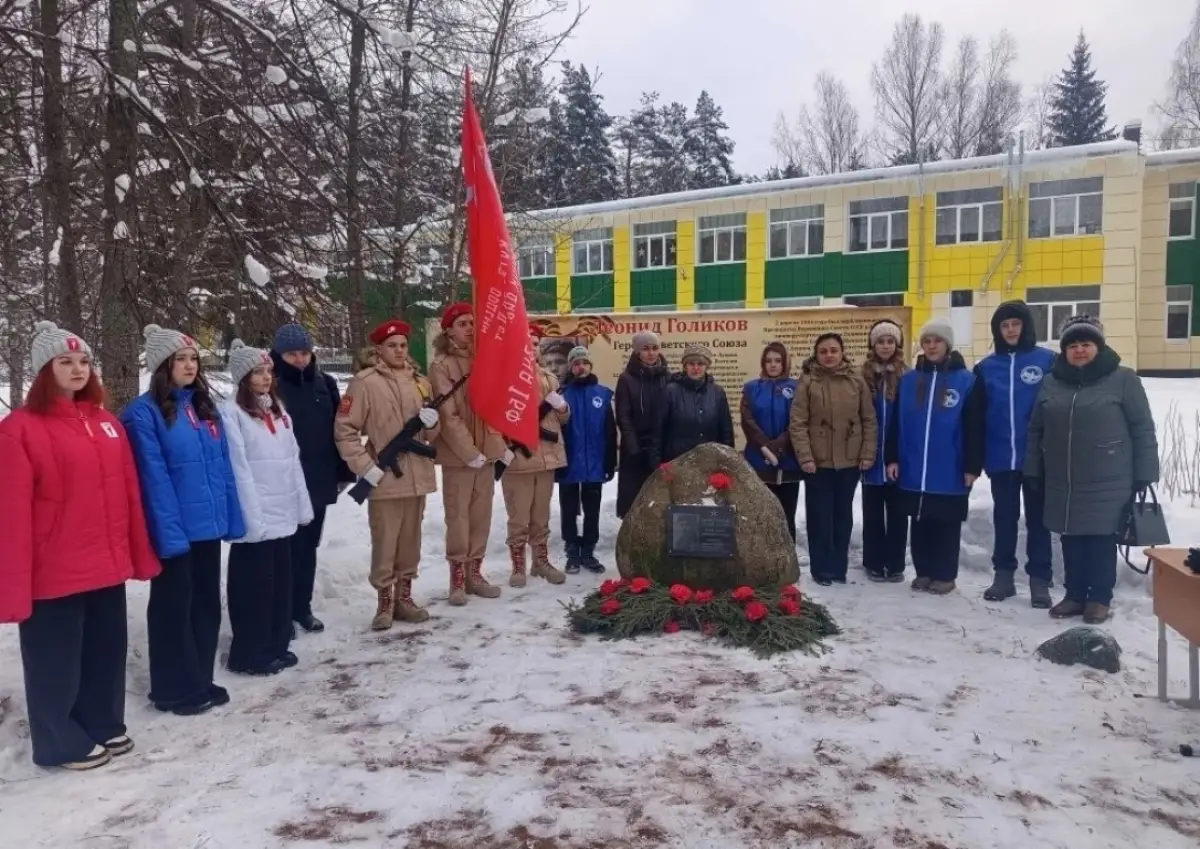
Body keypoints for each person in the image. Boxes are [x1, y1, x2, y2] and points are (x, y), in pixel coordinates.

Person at [0, 322, 160, 770]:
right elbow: (9, 516)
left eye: (84, 361)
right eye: (65, 362)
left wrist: (136, 551)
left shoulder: (106, 423)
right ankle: (59, 741)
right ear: (43, 372)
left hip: (104, 564)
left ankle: (103, 723)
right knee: (56, 661)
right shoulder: (18, 430)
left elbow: (127, 495)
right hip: (54, 570)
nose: (77, 369)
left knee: (104, 650)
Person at [122, 324, 245, 716]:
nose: (190, 365)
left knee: (206, 603)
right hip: (174, 531)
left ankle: (200, 677)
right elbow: (153, 480)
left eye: (194, 358)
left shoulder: (203, 407)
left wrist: (230, 516)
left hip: (206, 527)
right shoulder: (143, 414)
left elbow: (222, 467)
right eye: (181, 359)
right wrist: (170, 534)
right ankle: (173, 688)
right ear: (163, 365)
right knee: (174, 606)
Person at [1024, 315, 1158, 624]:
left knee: (1100, 538)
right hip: (1063, 477)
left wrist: (1145, 472)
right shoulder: (1052, 381)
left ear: (1098, 346)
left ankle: (1099, 598)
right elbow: (1035, 429)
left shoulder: (1123, 379)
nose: (1079, 351)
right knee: (1071, 537)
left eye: (1086, 344)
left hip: (1108, 477)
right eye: (1072, 345)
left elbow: (1142, 429)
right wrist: (1032, 468)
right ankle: (1074, 595)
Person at [336, 320, 441, 628]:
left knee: (411, 541)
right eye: (392, 345)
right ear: (379, 349)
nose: (399, 351)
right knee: (385, 542)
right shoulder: (364, 382)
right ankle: (384, 603)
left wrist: (433, 424)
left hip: (417, 476)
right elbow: (345, 430)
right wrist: (366, 467)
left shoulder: (420, 382)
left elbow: (431, 438)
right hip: (383, 477)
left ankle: (404, 598)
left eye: (403, 345)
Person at [221, 340, 314, 675]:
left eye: (268, 372)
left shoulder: (277, 410)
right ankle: (250, 652)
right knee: (254, 588)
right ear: (242, 377)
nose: (264, 378)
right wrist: (251, 517)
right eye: (257, 372)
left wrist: (300, 505)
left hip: (282, 512)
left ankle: (275, 644)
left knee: (279, 584)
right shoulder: (232, 412)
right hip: (256, 515)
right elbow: (240, 468)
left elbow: (292, 461)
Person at [885, 318, 983, 595]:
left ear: (947, 345)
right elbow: (895, 423)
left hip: (949, 467)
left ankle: (945, 574)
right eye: (926, 342)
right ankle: (924, 570)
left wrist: (972, 465)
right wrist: (892, 458)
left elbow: (975, 427)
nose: (931, 346)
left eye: (936, 341)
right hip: (914, 465)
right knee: (919, 521)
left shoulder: (967, 381)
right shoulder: (909, 381)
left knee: (945, 524)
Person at [271, 323, 355, 634]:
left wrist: (343, 471)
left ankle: (301, 607)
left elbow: (338, 428)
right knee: (284, 550)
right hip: (284, 482)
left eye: (305, 352)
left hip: (318, 478)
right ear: (280, 355)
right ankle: (280, 612)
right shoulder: (271, 385)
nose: (300, 359)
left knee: (307, 548)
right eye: (292, 354)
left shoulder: (325, 383)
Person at [974, 301, 1057, 608]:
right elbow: (978, 415)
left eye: (1015, 324)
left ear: (1026, 327)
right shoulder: (985, 368)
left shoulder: (1047, 360)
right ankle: (1004, 576)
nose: (1009, 330)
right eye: (1004, 325)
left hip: (1037, 459)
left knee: (1038, 521)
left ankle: (1039, 580)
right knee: (1004, 518)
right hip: (1000, 458)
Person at [428, 302, 507, 604]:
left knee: (481, 516)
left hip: (484, 454)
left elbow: (493, 408)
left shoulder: (484, 361)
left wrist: (495, 446)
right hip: (458, 457)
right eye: (462, 323)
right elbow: (448, 415)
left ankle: (475, 572)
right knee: (458, 518)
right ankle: (457, 579)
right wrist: (467, 451)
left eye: (472, 323)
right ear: (448, 330)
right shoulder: (442, 366)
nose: (469, 328)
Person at [789, 333, 877, 586]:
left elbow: (869, 420)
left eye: (833, 350)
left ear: (842, 353)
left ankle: (839, 568)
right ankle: (822, 569)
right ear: (816, 355)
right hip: (818, 462)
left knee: (842, 515)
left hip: (849, 461)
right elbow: (798, 423)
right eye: (824, 351)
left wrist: (867, 452)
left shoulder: (856, 381)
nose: (829, 355)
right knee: (820, 517)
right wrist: (805, 457)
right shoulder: (807, 383)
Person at [500, 326, 571, 586]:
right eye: (526, 343)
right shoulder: (504, 377)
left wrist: (562, 408)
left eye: (535, 343)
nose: (532, 348)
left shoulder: (549, 377)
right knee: (519, 517)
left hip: (547, 456)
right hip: (519, 458)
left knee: (541, 516)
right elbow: (498, 419)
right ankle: (518, 566)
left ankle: (540, 562)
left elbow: (561, 420)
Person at [556, 346, 617, 573]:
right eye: (576, 363)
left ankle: (589, 551)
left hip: (595, 464)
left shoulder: (602, 394)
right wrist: (558, 463)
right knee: (568, 507)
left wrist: (610, 462)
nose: (581, 367)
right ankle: (572, 550)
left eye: (584, 362)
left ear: (590, 366)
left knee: (593, 508)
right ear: (571, 367)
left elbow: (610, 432)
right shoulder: (562, 395)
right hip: (569, 464)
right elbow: (557, 431)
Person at [861, 319, 910, 583]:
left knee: (897, 512)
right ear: (873, 344)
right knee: (872, 512)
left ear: (897, 344)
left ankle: (895, 564)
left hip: (897, 455)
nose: (885, 346)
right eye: (880, 341)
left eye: (890, 341)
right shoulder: (863, 375)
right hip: (870, 454)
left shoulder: (907, 376)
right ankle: (874, 562)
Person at [740, 342, 802, 540]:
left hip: (789, 460)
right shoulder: (751, 388)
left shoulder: (797, 388)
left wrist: (779, 445)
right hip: (759, 460)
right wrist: (765, 446)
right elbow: (748, 421)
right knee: (761, 516)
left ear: (785, 363)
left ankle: (787, 560)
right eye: (768, 361)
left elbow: (798, 420)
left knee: (786, 515)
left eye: (778, 360)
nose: (773, 365)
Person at [614, 330, 669, 518]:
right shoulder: (627, 379)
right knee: (634, 499)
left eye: (654, 348)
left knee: (659, 497)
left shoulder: (666, 377)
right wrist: (633, 446)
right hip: (635, 447)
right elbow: (623, 415)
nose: (651, 353)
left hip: (660, 446)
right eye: (646, 349)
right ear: (637, 352)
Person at [651, 344, 734, 465]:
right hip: (677, 463)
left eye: (700, 364)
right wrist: (657, 464)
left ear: (707, 366)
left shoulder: (717, 393)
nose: (696, 368)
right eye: (691, 364)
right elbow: (658, 430)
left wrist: (727, 464)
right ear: (685, 366)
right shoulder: (670, 391)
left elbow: (726, 431)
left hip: (709, 463)